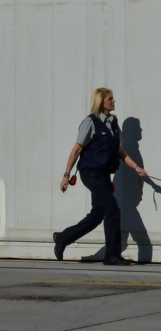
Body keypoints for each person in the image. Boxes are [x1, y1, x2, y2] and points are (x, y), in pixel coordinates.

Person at [55, 88, 148, 266]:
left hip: (103, 173)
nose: (114, 102)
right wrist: (66, 175)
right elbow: (77, 149)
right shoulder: (90, 122)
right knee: (112, 209)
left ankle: (63, 237)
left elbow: (120, 151)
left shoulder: (113, 122)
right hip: (90, 172)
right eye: (110, 99)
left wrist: (137, 168)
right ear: (101, 101)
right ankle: (112, 255)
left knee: (98, 214)